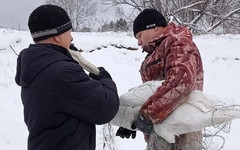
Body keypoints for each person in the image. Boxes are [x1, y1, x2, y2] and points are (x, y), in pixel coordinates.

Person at [15, 4, 119, 150]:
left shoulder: (35, 67)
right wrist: (105, 80)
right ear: (57, 35)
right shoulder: (64, 73)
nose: (71, 37)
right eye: (68, 31)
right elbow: (105, 108)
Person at [116, 8, 204, 150]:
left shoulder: (177, 42)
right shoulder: (158, 50)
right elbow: (152, 92)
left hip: (180, 134)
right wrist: (131, 121)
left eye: (139, 35)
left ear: (154, 27)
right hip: (162, 130)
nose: (138, 42)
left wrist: (147, 115)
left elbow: (181, 84)